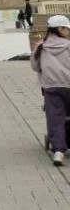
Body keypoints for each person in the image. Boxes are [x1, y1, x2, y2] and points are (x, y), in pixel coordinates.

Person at [31, 14, 70, 166]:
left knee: (55, 118)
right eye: (67, 29)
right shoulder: (68, 45)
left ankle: (59, 151)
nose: (68, 31)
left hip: (51, 87)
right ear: (60, 29)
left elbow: (35, 66)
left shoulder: (41, 46)